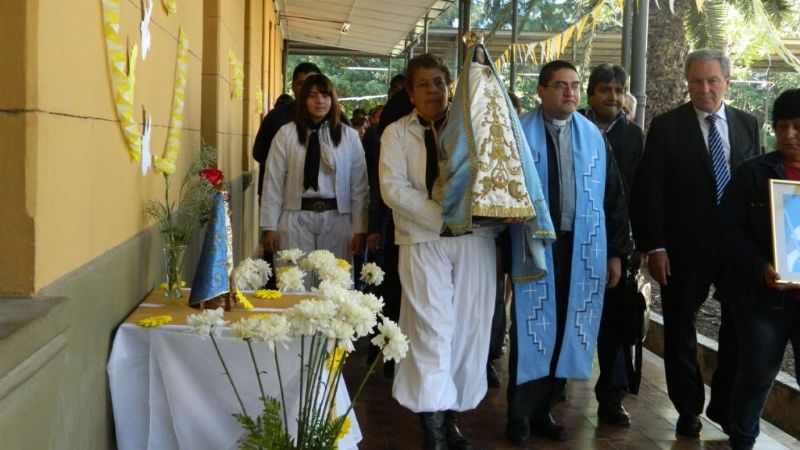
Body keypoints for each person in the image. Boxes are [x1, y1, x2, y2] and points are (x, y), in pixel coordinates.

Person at [633, 48, 761, 437]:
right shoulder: (666, 127)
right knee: (679, 328)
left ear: (727, 82)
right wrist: (656, 246)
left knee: (739, 328)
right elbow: (650, 191)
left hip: (737, 249)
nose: (704, 89)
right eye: (696, 81)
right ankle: (688, 407)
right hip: (682, 249)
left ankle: (724, 404)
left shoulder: (748, 125)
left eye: (712, 81)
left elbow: (757, 188)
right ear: (687, 83)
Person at [505, 60, 631, 446]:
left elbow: (614, 197)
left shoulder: (593, 137)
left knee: (564, 328)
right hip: (534, 245)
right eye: (561, 85)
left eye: (575, 85)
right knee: (532, 329)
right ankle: (519, 415)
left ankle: (543, 410)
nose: (570, 92)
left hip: (581, 248)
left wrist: (615, 253)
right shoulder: (518, 133)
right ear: (541, 91)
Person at [379, 54, 496, 450]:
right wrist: (440, 218)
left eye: (439, 82)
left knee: (468, 332)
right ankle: (432, 430)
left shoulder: (474, 128)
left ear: (450, 87)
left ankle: (451, 419)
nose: (433, 90)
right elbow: (393, 188)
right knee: (431, 331)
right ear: (411, 93)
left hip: (474, 240)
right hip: (422, 239)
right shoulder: (396, 133)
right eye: (423, 84)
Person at [715, 88, 800, 450]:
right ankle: (743, 440)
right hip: (761, 299)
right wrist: (761, 265)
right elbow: (727, 229)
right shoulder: (752, 173)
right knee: (758, 372)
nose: (788, 135)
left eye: (797, 126)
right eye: (781, 127)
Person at [581, 63, 645, 427]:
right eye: (605, 89)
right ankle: (553, 387)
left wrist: (634, 246)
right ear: (591, 94)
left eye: (619, 91)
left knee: (615, 324)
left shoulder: (634, 136)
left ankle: (612, 397)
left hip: (617, 244)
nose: (613, 97)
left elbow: (642, 191)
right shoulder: (574, 126)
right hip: (575, 241)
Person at [260, 74, 368, 271]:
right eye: (312, 95)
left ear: (332, 99)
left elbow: (359, 186)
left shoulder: (349, 137)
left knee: (334, 280)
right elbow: (273, 181)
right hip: (296, 216)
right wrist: (270, 226)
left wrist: (360, 228)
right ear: (303, 100)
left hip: (337, 218)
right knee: (295, 279)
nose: (320, 101)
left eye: (325, 95)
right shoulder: (286, 134)